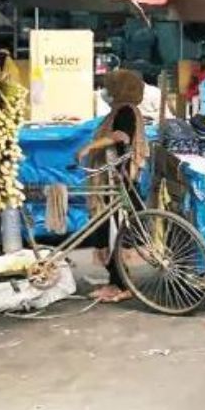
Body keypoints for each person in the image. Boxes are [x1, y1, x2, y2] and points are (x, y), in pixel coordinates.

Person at [76, 70, 150, 304]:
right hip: (111, 179)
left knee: (114, 234)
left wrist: (89, 147)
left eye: (109, 88)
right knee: (105, 230)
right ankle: (114, 281)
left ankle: (122, 285)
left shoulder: (126, 111)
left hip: (118, 180)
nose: (106, 92)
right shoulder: (119, 110)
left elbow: (120, 136)